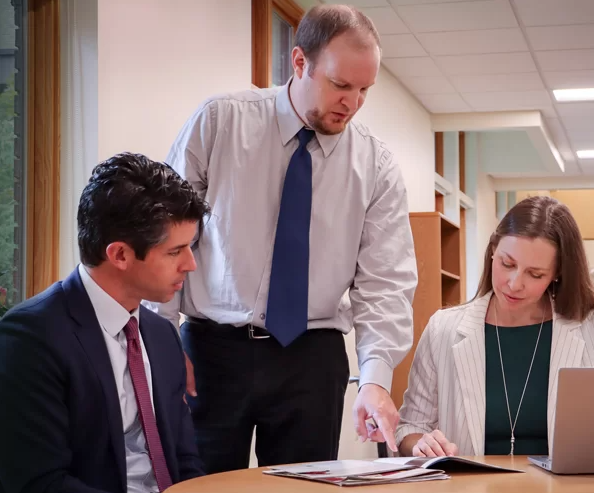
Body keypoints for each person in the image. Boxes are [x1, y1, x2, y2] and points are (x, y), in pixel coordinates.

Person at [145, 4, 417, 472]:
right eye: (340, 84)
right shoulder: (220, 122)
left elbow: (385, 284)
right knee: (197, 481)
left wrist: (375, 378)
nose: (351, 102)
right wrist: (161, 344)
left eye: (364, 90)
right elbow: (164, 237)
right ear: (299, 63)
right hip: (213, 350)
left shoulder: (376, 166)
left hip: (312, 358)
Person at [0, 153, 209, 493]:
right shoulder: (30, 338)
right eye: (175, 251)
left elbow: (185, 462)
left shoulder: (161, 336)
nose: (190, 264)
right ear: (120, 255)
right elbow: (39, 482)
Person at [395, 196, 594, 458]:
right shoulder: (442, 329)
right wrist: (421, 444)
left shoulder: (593, 328)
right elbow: (410, 427)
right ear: (493, 249)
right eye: (507, 264)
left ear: (558, 273)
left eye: (535, 274)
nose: (514, 284)